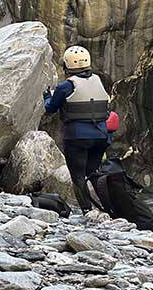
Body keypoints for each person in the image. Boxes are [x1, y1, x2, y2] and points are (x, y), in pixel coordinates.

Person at [44, 46, 110, 211]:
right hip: (101, 136)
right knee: (95, 174)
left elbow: (51, 108)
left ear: (67, 65)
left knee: (78, 177)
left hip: (77, 138)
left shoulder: (65, 86)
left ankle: (87, 211)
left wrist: (47, 96)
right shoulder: (98, 80)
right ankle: (109, 209)